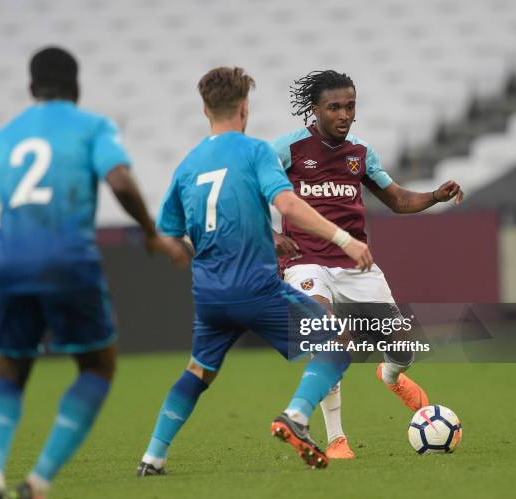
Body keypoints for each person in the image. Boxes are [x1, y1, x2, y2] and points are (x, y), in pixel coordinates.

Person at [0, 47, 187, 499]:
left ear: (31, 90)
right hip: (69, 260)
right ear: (77, 88)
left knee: (9, 374)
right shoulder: (93, 127)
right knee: (96, 367)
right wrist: (150, 233)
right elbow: (121, 181)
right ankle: (38, 481)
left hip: (7, 264)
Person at [136, 66, 374, 476]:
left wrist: (203, 250)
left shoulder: (188, 166)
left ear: (205, 109)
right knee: (339, 339)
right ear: (244, 108)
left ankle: (152, 458)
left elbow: (167, 237)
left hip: (210, 295)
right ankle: (297, 415)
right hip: (256, 288)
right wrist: (344, 239)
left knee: (199, 371)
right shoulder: (255, 152)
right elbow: (288, 205)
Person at [272, 70, 464, 459]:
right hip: (306, 262)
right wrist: (268, 234)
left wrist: (434, 196)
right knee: (326, 337)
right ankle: (336, 438)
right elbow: (249, 187)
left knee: (402, 347)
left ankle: (390, 375)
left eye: (350, 106)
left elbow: (396, 199)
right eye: (335, 107)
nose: (344, 115)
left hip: (355, 263)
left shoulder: (360, 152)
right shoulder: (288, 149)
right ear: (315, 111)